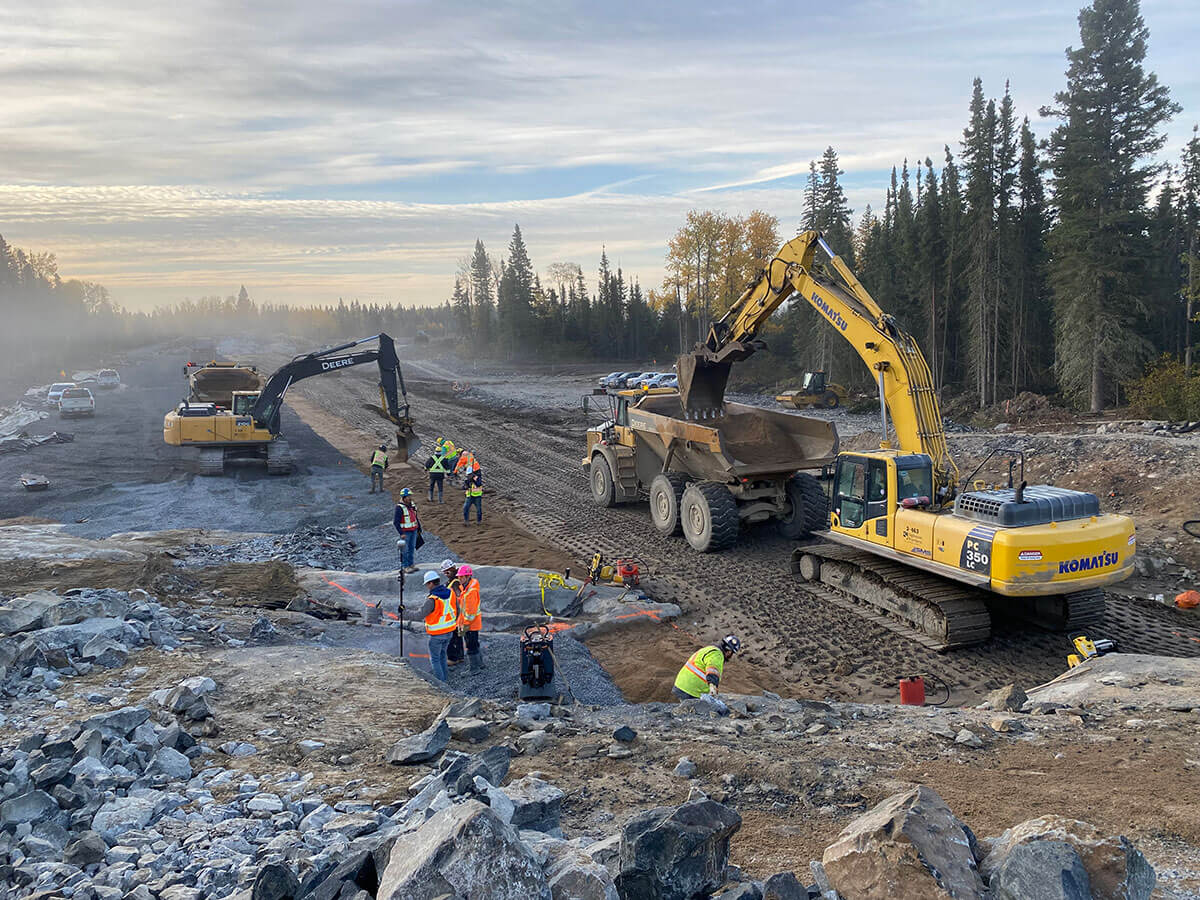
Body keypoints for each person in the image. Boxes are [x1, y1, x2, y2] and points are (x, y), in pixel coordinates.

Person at [672, 635, 741, 701]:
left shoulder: (710, 649)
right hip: (691, 690)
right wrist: (713, 686)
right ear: (729, 652)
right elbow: (712, 670)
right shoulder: (717, 655)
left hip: (682, 685)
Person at [419, 570, 456, 681]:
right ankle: (445, 681)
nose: (426, 586)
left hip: (436, 635)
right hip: (449, 632)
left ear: (431, 583)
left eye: (427, 584)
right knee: (443, 656)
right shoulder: (450, 592)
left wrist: (403, 612)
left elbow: (419, 615)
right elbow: (456, 609)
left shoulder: (432, 599)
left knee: (435, 659)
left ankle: (441, 684)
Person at [452, 564, 484, 671]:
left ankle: (474, 669)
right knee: (475, 644)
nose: (459, 579)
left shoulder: (470, 592)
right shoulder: (468, 589)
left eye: (462, 577)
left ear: (468, 577)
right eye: (459, 577)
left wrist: (464, 625)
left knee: (471, 647)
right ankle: (480, 664)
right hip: (472, 623)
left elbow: (470, 613)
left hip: (470, 624)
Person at [442, 558, 466, 666]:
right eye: (445, 572)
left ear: (453, 569)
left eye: (448, 571)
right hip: (457, 613)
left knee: (451, 637)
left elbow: (458, 596)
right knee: (458, 636)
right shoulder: (455, 581)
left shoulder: (455, 582)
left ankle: (453, 658)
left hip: (454, 613)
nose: (446, 574)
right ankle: (460, 657)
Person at [393, 488, 421, 573]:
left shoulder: (411, 505)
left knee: (411, 548)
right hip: (406, 532)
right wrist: (401, 533)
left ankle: (411, 564)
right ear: (404, 497)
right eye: (408, 496)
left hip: (413, 530)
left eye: (410, 496)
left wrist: (418, 527)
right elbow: (396, 522)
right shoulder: (399, 508)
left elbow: (415, 517)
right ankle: (405, 566)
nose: (410, 498)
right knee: (405, 550)